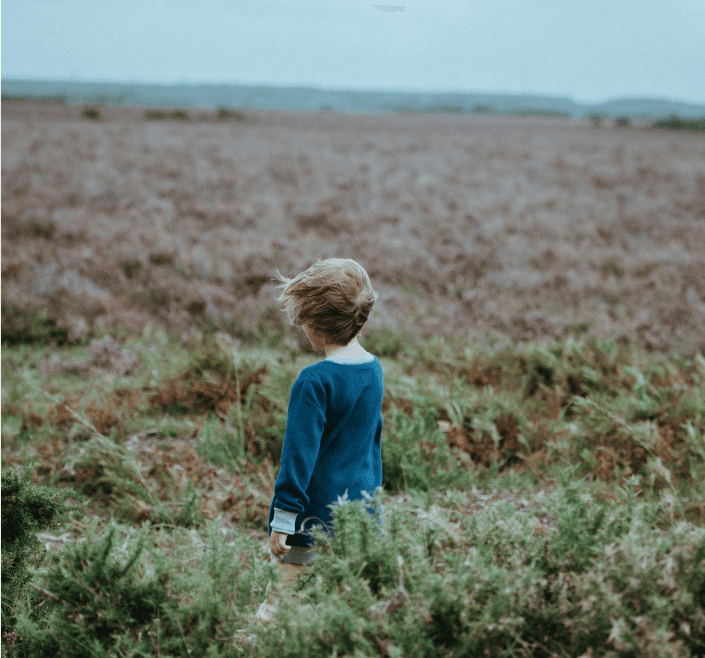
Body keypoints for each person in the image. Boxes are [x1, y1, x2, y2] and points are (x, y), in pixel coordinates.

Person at [255, 258, 384, 624]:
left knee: (276, 613)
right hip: (360, 518)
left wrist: (283, 519)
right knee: (346, 614)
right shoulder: (374, 369)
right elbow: (370, 449)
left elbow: (298, 455)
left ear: (315, 322)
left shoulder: (314, 380)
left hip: (311, 519)